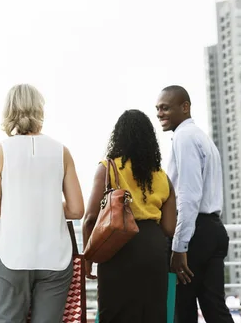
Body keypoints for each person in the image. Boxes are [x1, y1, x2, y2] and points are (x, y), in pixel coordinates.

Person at [0, 83, 84, 323]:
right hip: (55, 258)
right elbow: (77, 209)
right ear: (40, 109)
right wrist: (49, 204)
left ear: (9, 111)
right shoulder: (62, 151)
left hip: (12, 255)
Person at [83, 109, 177, 323]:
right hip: (153, 250)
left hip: (117, 246)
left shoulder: (108, 168)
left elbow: (90, 218)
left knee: (114, 313)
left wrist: (88, 260)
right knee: (152, 314)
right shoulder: (162, 176)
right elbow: (170, 228)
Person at [156, 85, 232, 323]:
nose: (159, 113)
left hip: (195, 234)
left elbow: (189, 196)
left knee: (183, 311)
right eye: (157, 109)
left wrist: (180, 247)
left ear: (185, 107)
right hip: (213, 230)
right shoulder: (200, 136)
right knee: (215, 309)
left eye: (165, 108)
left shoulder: (184, 137)